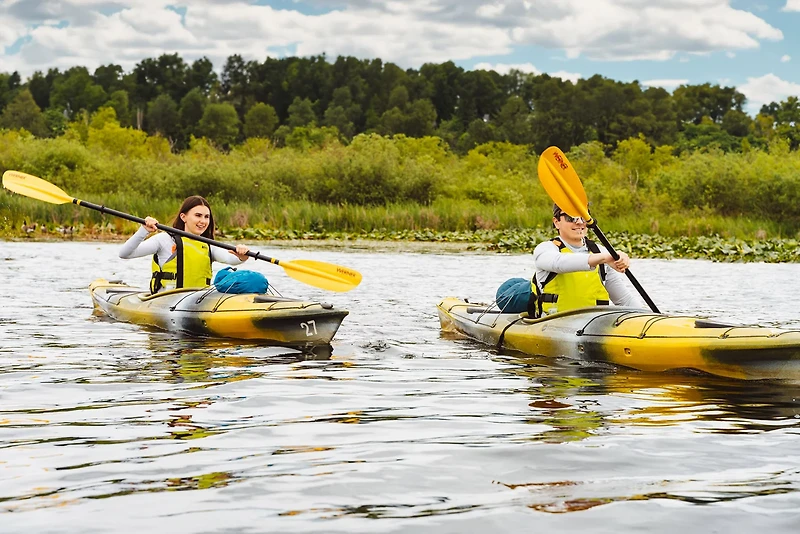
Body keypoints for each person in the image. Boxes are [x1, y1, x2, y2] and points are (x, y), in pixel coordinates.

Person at [495, 204, 646, 316]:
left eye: (583, 217)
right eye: (570, 218)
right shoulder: (546, 249)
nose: (579, 222)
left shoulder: (600, 252)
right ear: (556, 222)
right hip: (543, 315)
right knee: (505, 293)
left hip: (588, 324)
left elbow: (625, 301)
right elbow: (559, 263)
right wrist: (604, 257)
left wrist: (650, 319)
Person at [119, 195, 250, 293]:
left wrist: (242, 255)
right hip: (166, 300)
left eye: (206, 217)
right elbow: (125, 254)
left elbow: (230, 259)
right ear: (184, 217)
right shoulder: (164, 240)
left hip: (197, 301)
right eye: (198, 215)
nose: (203, 221)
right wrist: (143, 231)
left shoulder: (208, 245)